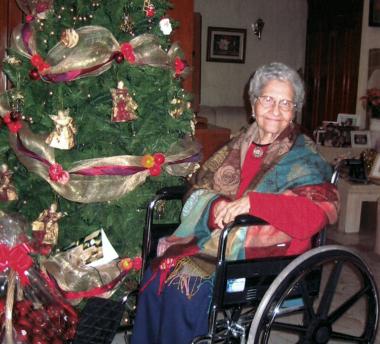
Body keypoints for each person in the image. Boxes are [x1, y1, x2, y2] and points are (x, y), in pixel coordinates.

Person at [131, 62, 339, 344]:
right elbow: (198, 187)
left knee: (186, 284)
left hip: (268, 249)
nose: (275, 110)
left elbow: (315, 214)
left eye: (285, 103)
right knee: (157, 272)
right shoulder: (236, 146)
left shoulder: (304, 156)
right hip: (218, 237)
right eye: (267, 99)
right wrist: (216, 206)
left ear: (294, 111)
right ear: (253, 105)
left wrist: (253, 203)